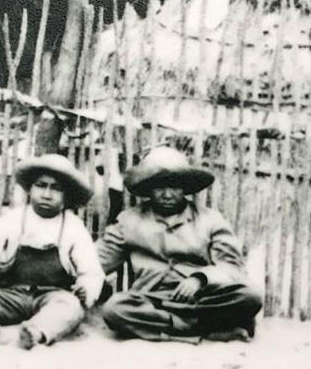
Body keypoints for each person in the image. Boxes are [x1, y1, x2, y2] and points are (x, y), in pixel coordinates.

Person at [97, 146, 262, 343]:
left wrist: (200, 279)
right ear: (149, 187)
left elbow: (232, 267)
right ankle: (205, 331)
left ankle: (173, 329)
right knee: (114, 309)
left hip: (200, 300)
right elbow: (97, 261)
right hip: (151, 301)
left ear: (184, 187)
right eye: (159, 186)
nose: (167, 194)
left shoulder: (210, 219)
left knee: (250, 297)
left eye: (174, 186)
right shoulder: (129, 220)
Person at [0, 154, 104, 350]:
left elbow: (92, 272)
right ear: (30, 189)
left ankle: (35, 333)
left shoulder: (73, 227)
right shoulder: (12, 220)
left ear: (66, 195)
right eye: (41, 185)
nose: (46, 194)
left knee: (71, 306)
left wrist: (84, 289)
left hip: (52, 298)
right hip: (11, 297)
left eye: (56, 188)